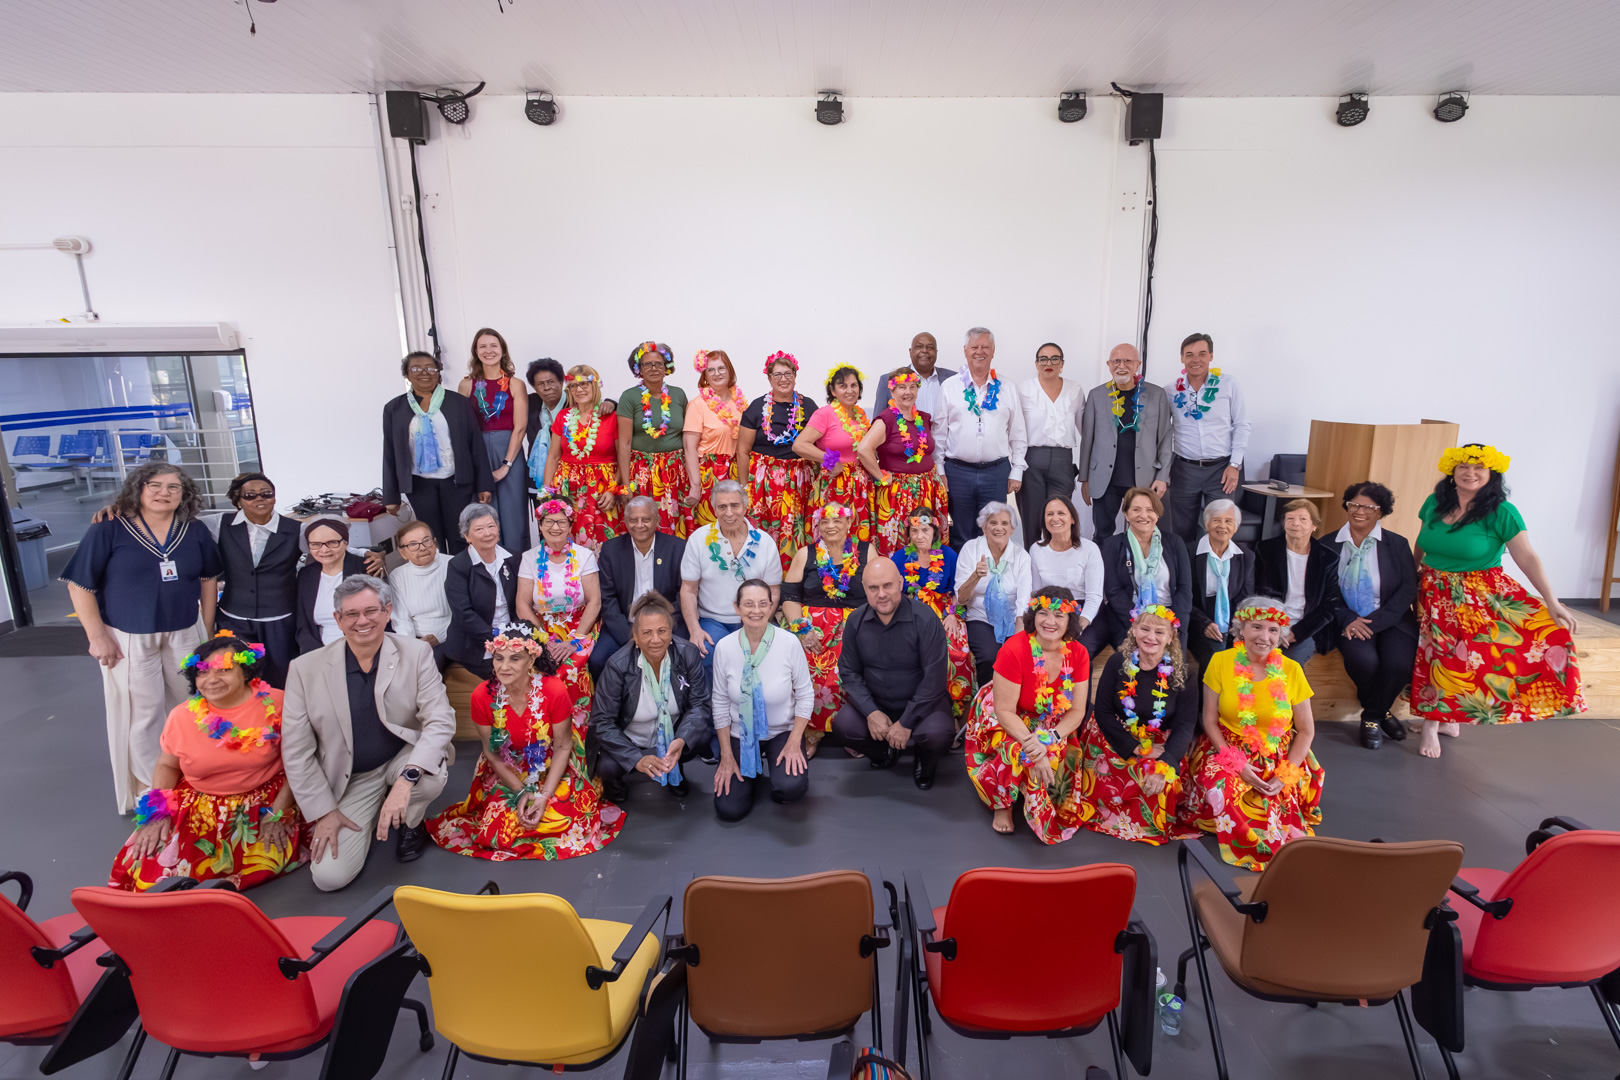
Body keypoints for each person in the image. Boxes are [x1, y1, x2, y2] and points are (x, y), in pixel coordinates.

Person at [281, 576, 457, 891]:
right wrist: (324, 812)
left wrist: (406, 781)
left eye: (371, 611)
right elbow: (297, 752)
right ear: (337, 619)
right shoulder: (304, 669)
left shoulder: (416, 652)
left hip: (401, 755)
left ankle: (411, 822)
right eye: (351, 614)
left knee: (428, 778)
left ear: (387, 611)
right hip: (351, 776)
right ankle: (378, 805)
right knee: (329, 879)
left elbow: (440, 719)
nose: (363, 621)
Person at [64, 462, 221, 813]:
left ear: (185, 494)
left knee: (193, 704)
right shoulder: (108, 528)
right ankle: (155, 790)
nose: (164, 492)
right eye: (155, 485)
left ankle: (197, 777)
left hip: (185, 629)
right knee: (143, 713)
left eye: (174, 487)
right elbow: (79, 585)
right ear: (138, 487)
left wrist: (207, 631)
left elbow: (209, 579)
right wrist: (97, 637)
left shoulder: (192, 530)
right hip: (129, 634)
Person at [1411, 444, 1584, 759]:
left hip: (1477, 594)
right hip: (1432, 589)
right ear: (1453, 471)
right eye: (1464, 466)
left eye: (1479, 468)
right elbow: (1422, 543)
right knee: (1440, 656)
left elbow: (1527, 556)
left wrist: (1552, 600)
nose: (1470, 473)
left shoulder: (1501, 511)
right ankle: (1448, 719)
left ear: (1491, 474)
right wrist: (1411, 574)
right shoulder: (1434, 502)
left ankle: (1432, 725)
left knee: (1453, 659)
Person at [109, 633, 303, 891]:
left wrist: (278, 814)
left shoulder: (279, 703)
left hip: (264, 802)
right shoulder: (181, 716)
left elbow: (300, 762)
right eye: (202, 672)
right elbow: (167, 766)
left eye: (224, 669)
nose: (211, 679)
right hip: (199, 805)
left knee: (261, 865)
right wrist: (158, 812)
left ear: (245, 672)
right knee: (151, 875)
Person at [426, 622, 623, 860]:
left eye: (515, 659)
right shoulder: (481, 695)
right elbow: (493, 753)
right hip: (506, 768)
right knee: (497, 833)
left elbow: (562, 746)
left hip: (551, 765)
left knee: (564, 823)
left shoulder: (554, 689)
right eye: (499, 658)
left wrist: (545, 794)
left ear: (531, 660)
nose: (504, 667)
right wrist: (520, 792)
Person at [1175, 598, 1324, 871]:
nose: (1264, 637)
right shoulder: (1220, 661)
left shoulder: (1292, 671)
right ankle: (1260, 852)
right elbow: (1208, 720)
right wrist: (1236, 763)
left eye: (1273, 630)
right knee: (1220, 789)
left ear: (1280, 636)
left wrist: (1285, 772)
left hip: (1276, 751)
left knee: (1275, 802)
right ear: (1240, 629)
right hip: (1225, 745)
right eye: (1257, 627)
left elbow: (1305, 730)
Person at [963, 588, 1092, 842]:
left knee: (1053, 758)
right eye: (1043, 613)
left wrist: (1049, 738)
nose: (1050, 621)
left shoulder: (1078, 653)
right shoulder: (1015, 648)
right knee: (1016, 750)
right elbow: (1004, 711)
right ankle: (1001, 802)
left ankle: (1033, 791)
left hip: (1050, 720)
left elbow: (1077, 711)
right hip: (1005, 712)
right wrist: (1033, 746)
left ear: (1070, 621)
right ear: (1034, 616)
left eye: (1059, 615)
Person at [1078, 604, 1201, 845]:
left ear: (1170, 637)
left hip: (1162, 742)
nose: (1150, 637)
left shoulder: (1183, 673)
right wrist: (1134, 747)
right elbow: (1102, 712)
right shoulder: (1116, 663)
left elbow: (1186, 724)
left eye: (1159, 632)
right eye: (1144, 629)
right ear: (1133, 630)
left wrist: (1166, 762)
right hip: (1115, 735)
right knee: (1117, 776)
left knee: (1160, 784)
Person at [833, 558, 954, 789]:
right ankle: (884, 752)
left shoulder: (925, 618)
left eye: (887, 585)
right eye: (873, 588)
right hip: (878, 703)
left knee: (938, 734)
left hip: (922, 706)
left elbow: (934, 679)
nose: (881, 594)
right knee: (844, 725)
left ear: (900, 583)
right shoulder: (855, 621)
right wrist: (871, 712)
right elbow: (849, 671)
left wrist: (906, 722)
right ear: (864, 588)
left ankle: (925, 760)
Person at [587, 593, 711, 804]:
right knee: (607, 767)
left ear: (671, 632)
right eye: (647, 633)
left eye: (662, 631)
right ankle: (616, 787)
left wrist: (681, 739)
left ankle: (674, 766)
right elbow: (602, 722)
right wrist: (636, 758)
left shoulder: (687, 653)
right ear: (635, 636)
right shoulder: (618, 665)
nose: (656, 639)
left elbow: (700, 704)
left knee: (700, 735)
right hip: (630, 736)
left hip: (672, 732)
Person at [712, 580, 814, 819]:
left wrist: (794, 741)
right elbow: (719, 702)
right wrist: (726, 756)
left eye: (762, 604)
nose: (755, 610)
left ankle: (774, 774)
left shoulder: (789, 643)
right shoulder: (724, 647)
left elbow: (806, 694)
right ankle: (751, 772)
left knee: (789, 788)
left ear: (771, 607)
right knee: (729, 810)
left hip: (782, 732)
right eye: (748, 604)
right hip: (741, 733)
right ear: (737, 608)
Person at [1330, 482, 1420, 750]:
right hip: (1351, 620)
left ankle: (1370, 717)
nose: (1360, 511)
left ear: (1381, 512)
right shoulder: (1328, 544)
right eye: (1355, 504)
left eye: (1370, 507)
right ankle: (1383, 713)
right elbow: (1324, 591)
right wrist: (1347, 618)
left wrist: (1379, 621)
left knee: (1398, 665)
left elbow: (1408, 588)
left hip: (1392, 619)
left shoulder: (1397, 544)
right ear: (1347, 505)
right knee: (1364, 661)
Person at [382, 350, 493, 555]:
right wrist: (391, 495)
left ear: (438, 372)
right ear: (407, 374)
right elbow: (389, 452)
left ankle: (461, 579)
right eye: (416, 368)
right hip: (418, 483)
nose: (424, 372)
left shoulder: (459, 403)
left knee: (460, 536)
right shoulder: (393, 408)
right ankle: (440, 581)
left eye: (431, 368)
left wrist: (484, 484)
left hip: (456, 480)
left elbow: (475, 443)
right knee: (431, 537)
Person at [933, 327, 1028, 547]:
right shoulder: (950, 387)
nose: (979, 352)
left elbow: (1018, 434)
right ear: (965, 351)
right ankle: (965, 581)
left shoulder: (1008, 388)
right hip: (957, 472)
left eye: (985, 347)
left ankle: (993, 580)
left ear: (993, 351)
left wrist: (1017, 471)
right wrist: (939, 471)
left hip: (996, 472)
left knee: (995, 531)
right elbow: (939, 434)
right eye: (974, 347)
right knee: (961, 534)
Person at [781, 502, 868, 735]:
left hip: (856, 630)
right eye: (825, 521)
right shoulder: (805, 554)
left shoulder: (867, 552)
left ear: (849, 523)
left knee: (855, 676)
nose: (830, 526)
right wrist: (801, 630)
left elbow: (877, 593)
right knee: (810, 676)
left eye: (837, 520)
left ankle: (852, 732)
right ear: (818, 525)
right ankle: (811, 732)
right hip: (812, 630)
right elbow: (789, 596)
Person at [680, 479, 783, 675]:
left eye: (734, 505)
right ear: (714, 509)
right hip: (712, 620)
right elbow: (688, 589)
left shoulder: (765, 543)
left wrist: (759, 623)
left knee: (767, 657)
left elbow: (774, 591)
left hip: (755, 617)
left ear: (745, 506)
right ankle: (713, 706)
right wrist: (694, 630)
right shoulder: (699, 539)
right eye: (722, 506)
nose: (728, 513)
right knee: (706, 652)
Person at [516, 496, 602, 728]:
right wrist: (544, 640)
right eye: (549, 522)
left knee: (572, 671)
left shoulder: (584, 556)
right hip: (541, 627)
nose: (555, 527)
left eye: (561, 522)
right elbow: (523, 605)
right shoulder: (529, 558)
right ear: (540, 526)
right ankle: (542, 737)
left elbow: (594, 601)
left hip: (580, 625)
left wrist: (574, 640)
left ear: (570, 526)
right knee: (536, 668)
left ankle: (578, 739)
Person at [212, 471, 303, 688]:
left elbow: (330, 542)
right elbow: (176, 521)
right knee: (237, 680)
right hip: (233, 619)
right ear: (238, 501)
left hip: (280, 621)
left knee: (281, 680)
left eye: (266, 494)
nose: (259, 499)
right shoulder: (218, 524)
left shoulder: (296, 529)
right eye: (250, 495)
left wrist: (370, 554)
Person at [1077, 343, 1174, 541]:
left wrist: (1163, 476)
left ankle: (1136, 572)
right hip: (1105, 479)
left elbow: (1165, 438)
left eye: (1128, 361)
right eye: (1116, 361)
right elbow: (1087, 440)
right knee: (1102, 535)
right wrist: (1085, 478)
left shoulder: (1157, 395)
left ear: (1137, 364)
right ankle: (1104, 572)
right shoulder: (1096, 395)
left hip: (1143, 479)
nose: (1122, 365)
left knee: (1143, 534)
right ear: (1109, 365)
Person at [1082, 487, 1192, 657]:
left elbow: (1185, 590)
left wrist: (1171, 623)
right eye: (1136, 509)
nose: (1143, 515)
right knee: (1134, 666)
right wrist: (1140, 623)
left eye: (1150, 510)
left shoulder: (1174, 543)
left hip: (1170, 617)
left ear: (1157, 514)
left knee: (1173, 669)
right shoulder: (1112, 545)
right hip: (1129, 618)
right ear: (1126, 513)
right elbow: (1113, 591)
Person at [890, 507, 975, 723]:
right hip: (909, 612)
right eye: (915, 531)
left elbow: (958, 590)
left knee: (957, 654)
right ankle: (910, 712)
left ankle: (955, 711)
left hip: (945, 612)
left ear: (934, 531)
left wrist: (953, 615)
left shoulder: (948, 555)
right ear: (908, 533)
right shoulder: (900, 557)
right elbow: (893, 595)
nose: (920, 536)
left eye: (925, 530)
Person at [736, 351, 819, 572]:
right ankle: (762, 579)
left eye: (788, 373)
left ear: (795, 374)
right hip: (764, 483)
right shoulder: (756, 407)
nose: (783, 379)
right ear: (769, 378)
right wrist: (744, 488)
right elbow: (742, 451)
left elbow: (819, 444)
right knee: (762, 531)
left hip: (799, 481)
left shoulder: (809, 406)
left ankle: (793, 579)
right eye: (777, 374)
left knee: (796, 530)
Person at [590, 495, 688, 680]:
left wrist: (662, 629)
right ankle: (613, 707)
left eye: (646, 519)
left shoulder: (677, 547)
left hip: (667, 624)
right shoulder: (611, 550)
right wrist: (632, 635)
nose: (639, 525)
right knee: (598, 660)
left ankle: (679, 705)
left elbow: (682, 595)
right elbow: (607, 599)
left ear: (657, 520)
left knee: (685, 657)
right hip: (624, 626)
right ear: (626, 522)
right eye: (633, 520)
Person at [1165, 333, 1250, 545]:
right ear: (1182, 358)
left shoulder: (1228, 384)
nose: (1196, 360)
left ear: (1211, 356)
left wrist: (1234, 465)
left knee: (1221, 528)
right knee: (1181, 532)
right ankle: (1186, 577)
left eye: (1202, 354)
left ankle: (1213, 576)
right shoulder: (1170, 390)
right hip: (1184, 469)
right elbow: (1162, 431)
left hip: (1222, 468)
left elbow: (1242, 425)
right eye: (1189, 354)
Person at [859, 368, 950, 556]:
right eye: (902, 387)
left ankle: (925, 581)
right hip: (897, 495)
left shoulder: (923, 418)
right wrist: (880, 476)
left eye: (912, 387)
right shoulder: (886, 419)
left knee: (924, 542)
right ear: (892, 391)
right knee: (897, 541)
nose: (908, 392)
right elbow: (863, 449)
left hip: (926, 491)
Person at [458, 328, 530, 552]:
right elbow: (462, 427)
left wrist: (506, 466)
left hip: (510, 451)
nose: (489, 351)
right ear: (476, 352)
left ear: (502, 350)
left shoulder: (515, 384)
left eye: (494, 346)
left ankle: (518, 568)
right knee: (483, 513)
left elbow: (520, 428)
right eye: (483, 346)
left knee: (514, 514)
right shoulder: (466, 385)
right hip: (477, 452)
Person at [541, 364, 626, 552]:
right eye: (573, 386)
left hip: (602, 488)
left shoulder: (611, 416)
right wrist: (548, 494)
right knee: (567, 537)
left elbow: (623, 458)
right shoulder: (563, 417)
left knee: (605, 539)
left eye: (584, 384)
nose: (579, 390)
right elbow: (553, 456)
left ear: (595, 385)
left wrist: (613, 490)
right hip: (568, 488)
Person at [795, 365, 880, 544]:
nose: (849, 390)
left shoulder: (860, 414)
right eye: (843, 386)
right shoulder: (824, 414)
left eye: (854, 385)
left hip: (860, 487)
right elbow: (799, 445)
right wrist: (832, 460)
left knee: (859, 540)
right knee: (834, 538)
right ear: (833, 390)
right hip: (835, 485)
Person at [617, 341, 692, 537]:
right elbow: (624, 444)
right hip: (641, 471)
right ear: (638, 369)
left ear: (667, 366)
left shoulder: (678, 394)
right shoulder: (629, 397)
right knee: (643, 523)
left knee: (674, 523)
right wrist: (625, 486)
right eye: (647, 364)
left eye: (658, 363)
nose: (653, 368)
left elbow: (686, 436)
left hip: (675, 470)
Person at [1254, 499, 1341, 665]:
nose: (1296, 524)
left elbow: (1330, 605)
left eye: (1303, 519)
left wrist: (1296, 633)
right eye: (1290, 518)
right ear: (1284, 523)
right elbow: (1258, 593)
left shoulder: (1328, 559)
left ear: (1314, 525)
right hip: (1268, 623)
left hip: (1304, 628)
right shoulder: (1265, 550)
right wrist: (1273, 628)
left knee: (1285, 667)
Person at [955, 502, 1033, 689]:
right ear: (984, 527)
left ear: (1012, 529)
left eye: (1005, 524)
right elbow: (961, 599)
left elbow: (1023, 602)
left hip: (1013, 620)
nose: (999, 528)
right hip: (981, 618)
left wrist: (1017, 642)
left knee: (1017, 656)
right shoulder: (970, 549)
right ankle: (986, 705)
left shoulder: (1021, 556)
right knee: (991, 656)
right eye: (993, 523)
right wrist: (975, 576)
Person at [1015, 342, 1083, 548]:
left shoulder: (1075, 389)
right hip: (1032, 460)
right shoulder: (1023, 389)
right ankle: (1032, 574)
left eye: (1055, 359)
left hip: (1063, 461)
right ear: (1036, 364)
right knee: (1033, 519)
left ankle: (1058, 573)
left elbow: (1085, 429)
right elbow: (1016, 430)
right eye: (1043, 359)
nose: (1049, 363)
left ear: (1062, 364)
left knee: (1059, 519)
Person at [444, 504, 522, 680]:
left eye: (491, 526)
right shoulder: (458, 565)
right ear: (467, 536)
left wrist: (515, 634)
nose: (487, 533)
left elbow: (523, 600)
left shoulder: (514, 558)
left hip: (513, 633)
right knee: (504, 678)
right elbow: (463, 613)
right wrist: (496, 638)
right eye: (479, 529)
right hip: (476, 641)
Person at [1188, 500, 1255, 672]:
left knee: (1246, 656)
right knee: (1215, 654)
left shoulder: (1246, 556)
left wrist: (1239, 626)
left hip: (1233, 618)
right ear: (1206, 524)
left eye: (1228, 521)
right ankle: (1207, 699)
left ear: (1236, 527)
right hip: (1198, 617)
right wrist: (1204, 623)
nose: (1222, 526)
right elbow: (1183, 595)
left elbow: (1246, 598)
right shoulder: (1189, 552)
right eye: (1217, 520)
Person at [682, 349, 746, 528]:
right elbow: (689, 448)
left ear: (730, 371)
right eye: (711, 370)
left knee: (737, 527)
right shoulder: (698, 404)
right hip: (709, 474)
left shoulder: (740, 401)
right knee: (712, 529)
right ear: (705, 375)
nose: (717, 374)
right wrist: (696, 485)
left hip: (736, 470)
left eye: (722, 368)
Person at [387, 520, 455, 671]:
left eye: (427, 541)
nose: (422, 548)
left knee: (426, 667)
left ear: (435, 542)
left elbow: (463, 613)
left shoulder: (454, 565)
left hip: (450, 635)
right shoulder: (398, 576)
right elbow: (401, 619)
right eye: (413, 544)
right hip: (416, 639)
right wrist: (411, 646)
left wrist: (438, 636)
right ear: (403, 552)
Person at [295, 518, 369, 654]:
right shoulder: (306, 575)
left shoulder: (366, 569)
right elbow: (304, 625)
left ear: (345, 543)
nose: (324, 549)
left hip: (362, 647)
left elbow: (378, 619)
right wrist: (315, 655)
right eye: (315, 544)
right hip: (320, 652)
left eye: (332, 542)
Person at [1028, 495, 1104, 629]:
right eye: (1049, 514)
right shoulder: (1036, 549)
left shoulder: (1089, 549)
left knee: (1072, 647)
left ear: (1072, 519)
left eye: (1061, 513)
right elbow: (1035, 593)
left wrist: (1076, 628)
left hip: (1082, 610)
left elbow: (1094, 597)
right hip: (1049, 610)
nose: (1055, 518)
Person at [873, 331, 954, 418]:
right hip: (904, 431)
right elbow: (878, 421)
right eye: (919, 347)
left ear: (936, 352)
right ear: (910, 352)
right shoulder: (888, 380)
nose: (924, 351)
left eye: (930, 348)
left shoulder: (952, 379)